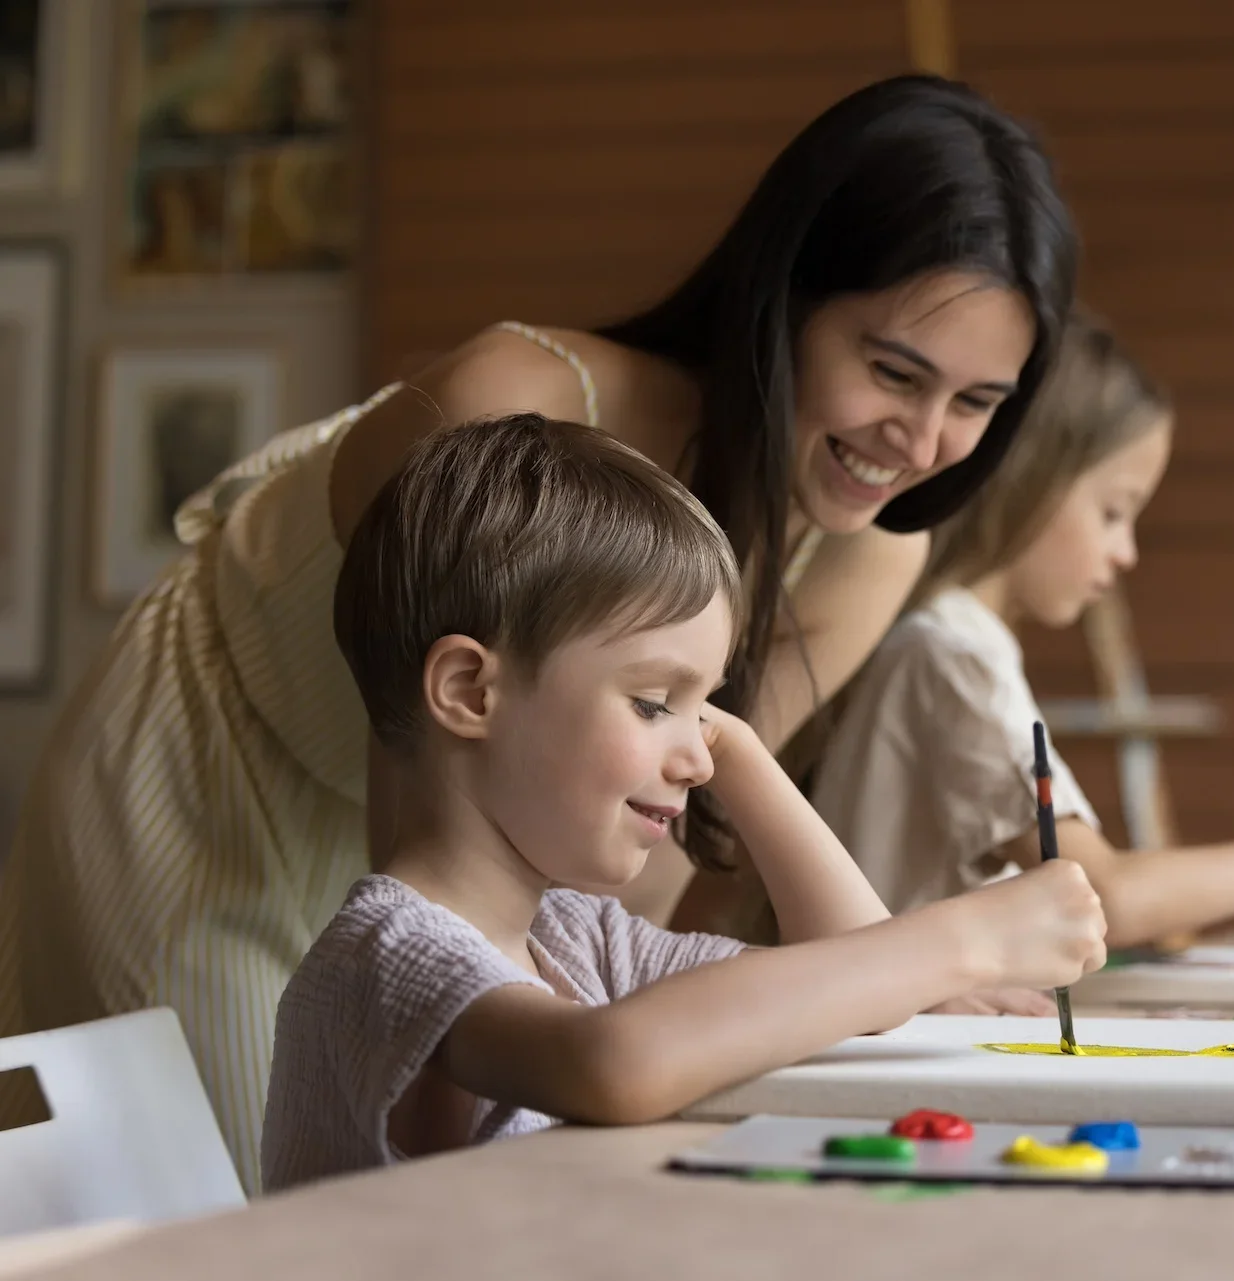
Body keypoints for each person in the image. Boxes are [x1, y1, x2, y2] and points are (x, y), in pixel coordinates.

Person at [0, 74, 1077, 1192]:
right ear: (789, 299)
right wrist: (953, 941)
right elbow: (474, 931)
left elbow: (643, 842)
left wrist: (769, 818)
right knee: (200, 1195)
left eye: (978, 402)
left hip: (488, 837)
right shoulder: (518, 406)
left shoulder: (871, 549)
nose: (921, 440)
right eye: (893, 371)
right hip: (216, 779)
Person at [261, 414, 1105, 1191]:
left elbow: (857, 980)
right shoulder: (387, 951)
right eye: (654, 701)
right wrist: (970, 939)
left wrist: (733, 746)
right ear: (471, 690)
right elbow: (613, 1064)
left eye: (706, 710)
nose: (697, 754)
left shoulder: (571, 934)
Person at [805, 314, 1234, 958]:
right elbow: (1103, 896)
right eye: (1113, 512)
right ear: (1030, 478)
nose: (1126, 553)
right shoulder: (948, 654)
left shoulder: (951, 642)